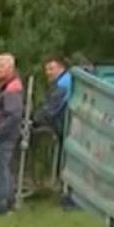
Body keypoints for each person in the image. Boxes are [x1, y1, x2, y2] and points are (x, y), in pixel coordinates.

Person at [0, 53, 25, 215]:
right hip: (0, 134)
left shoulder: (12, 88)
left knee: (1, 169)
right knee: (2, 168)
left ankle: (2, 203)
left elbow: (14, 115)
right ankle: (6, 201)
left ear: (11, 67)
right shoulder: (4, 86)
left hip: (3, 135)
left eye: (1, 66)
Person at [36, 55, 75, 208]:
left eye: (52, 69)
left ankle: (69, 198)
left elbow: (51, 109)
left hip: (66, 130)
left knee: (65, 163)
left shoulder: (63, 85)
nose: (48, 72)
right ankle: (67, 195)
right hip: (65, 129)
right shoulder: (64, 81)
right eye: (46, 69)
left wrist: (34, 120)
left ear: (61, 68)